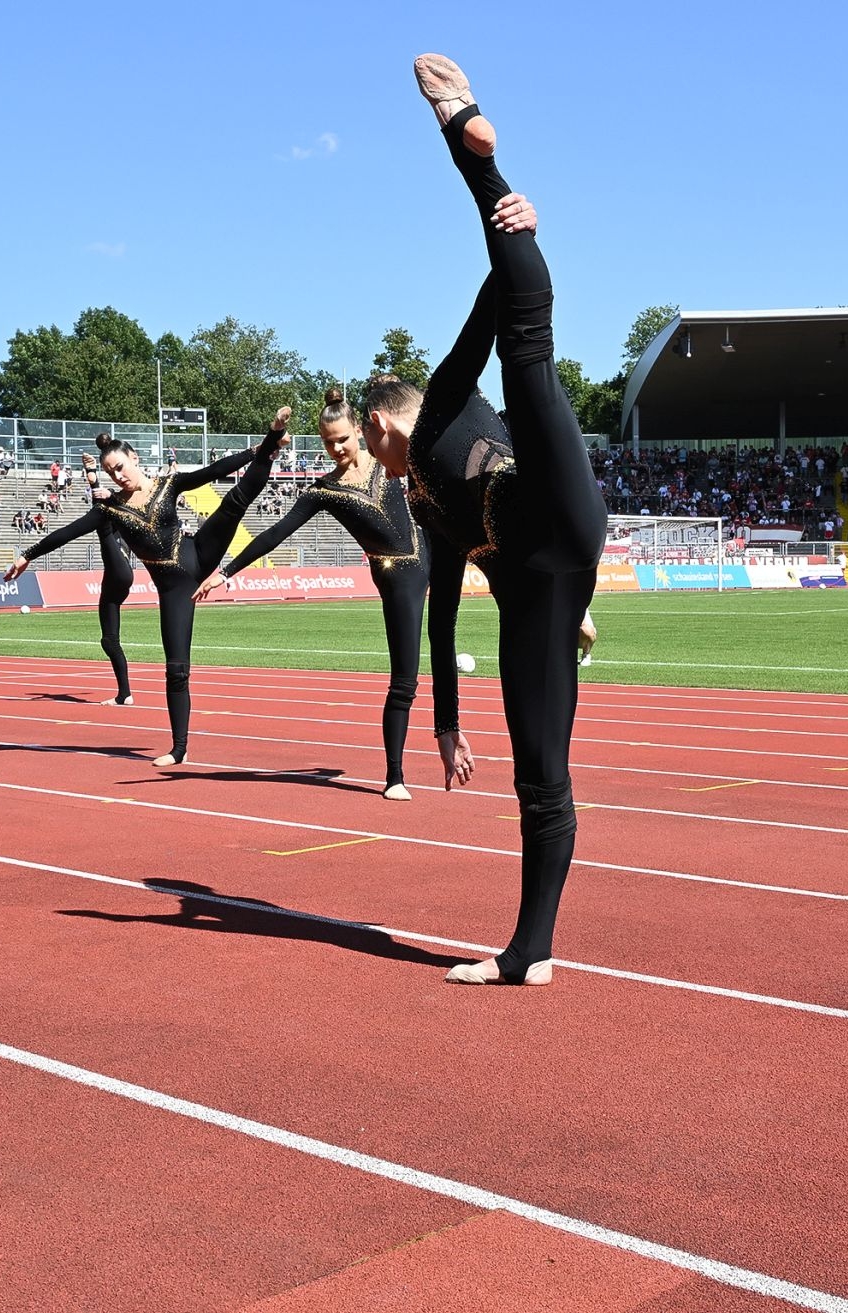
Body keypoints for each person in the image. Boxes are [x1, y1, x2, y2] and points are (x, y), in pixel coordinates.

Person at [358, 57, 607, 985]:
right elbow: (445, 604)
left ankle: (474, 147)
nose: (366, 456)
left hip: (545, 524)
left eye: (362, 441)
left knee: (527, 343)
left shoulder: (432, 421)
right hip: (554, 563)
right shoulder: (421, 494)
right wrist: (448, 725)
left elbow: (487, 316)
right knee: (541, 773)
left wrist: (505, 208)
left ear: (380, 423)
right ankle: (529, 953)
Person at [6, 418, 290, 765]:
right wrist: (27, 555)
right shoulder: (110, 509)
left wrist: (258, 449)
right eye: (110, 472)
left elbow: (213, 471)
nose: (117, 476)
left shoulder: (168, 484)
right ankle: (179, 749)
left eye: (120, 467)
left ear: (134, 458)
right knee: (177, 670)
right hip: (174, 589)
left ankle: (273, 441)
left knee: (235, 501)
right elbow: (68, 532)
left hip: (200, 552)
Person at [195, 386, 430, 800]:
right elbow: (275, 534)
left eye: (343, 438)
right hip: (398, 580)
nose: (336, 448)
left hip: (433, 555)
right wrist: (226, 572)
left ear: (359, 430)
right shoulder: (323, 491)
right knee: (404, 680)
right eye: (328, 442)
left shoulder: (390, 462)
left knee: (448, 646)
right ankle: (395, 775)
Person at [82, 452, 139, 706]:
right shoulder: (122, 519)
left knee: (110, 639)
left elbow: (99, 500)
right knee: (108, 640)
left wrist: (92, 474)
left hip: (118, 571)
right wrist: (92, 473)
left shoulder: (111, 519)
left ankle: (124, 693)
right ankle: (124, 694)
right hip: (119, 576)